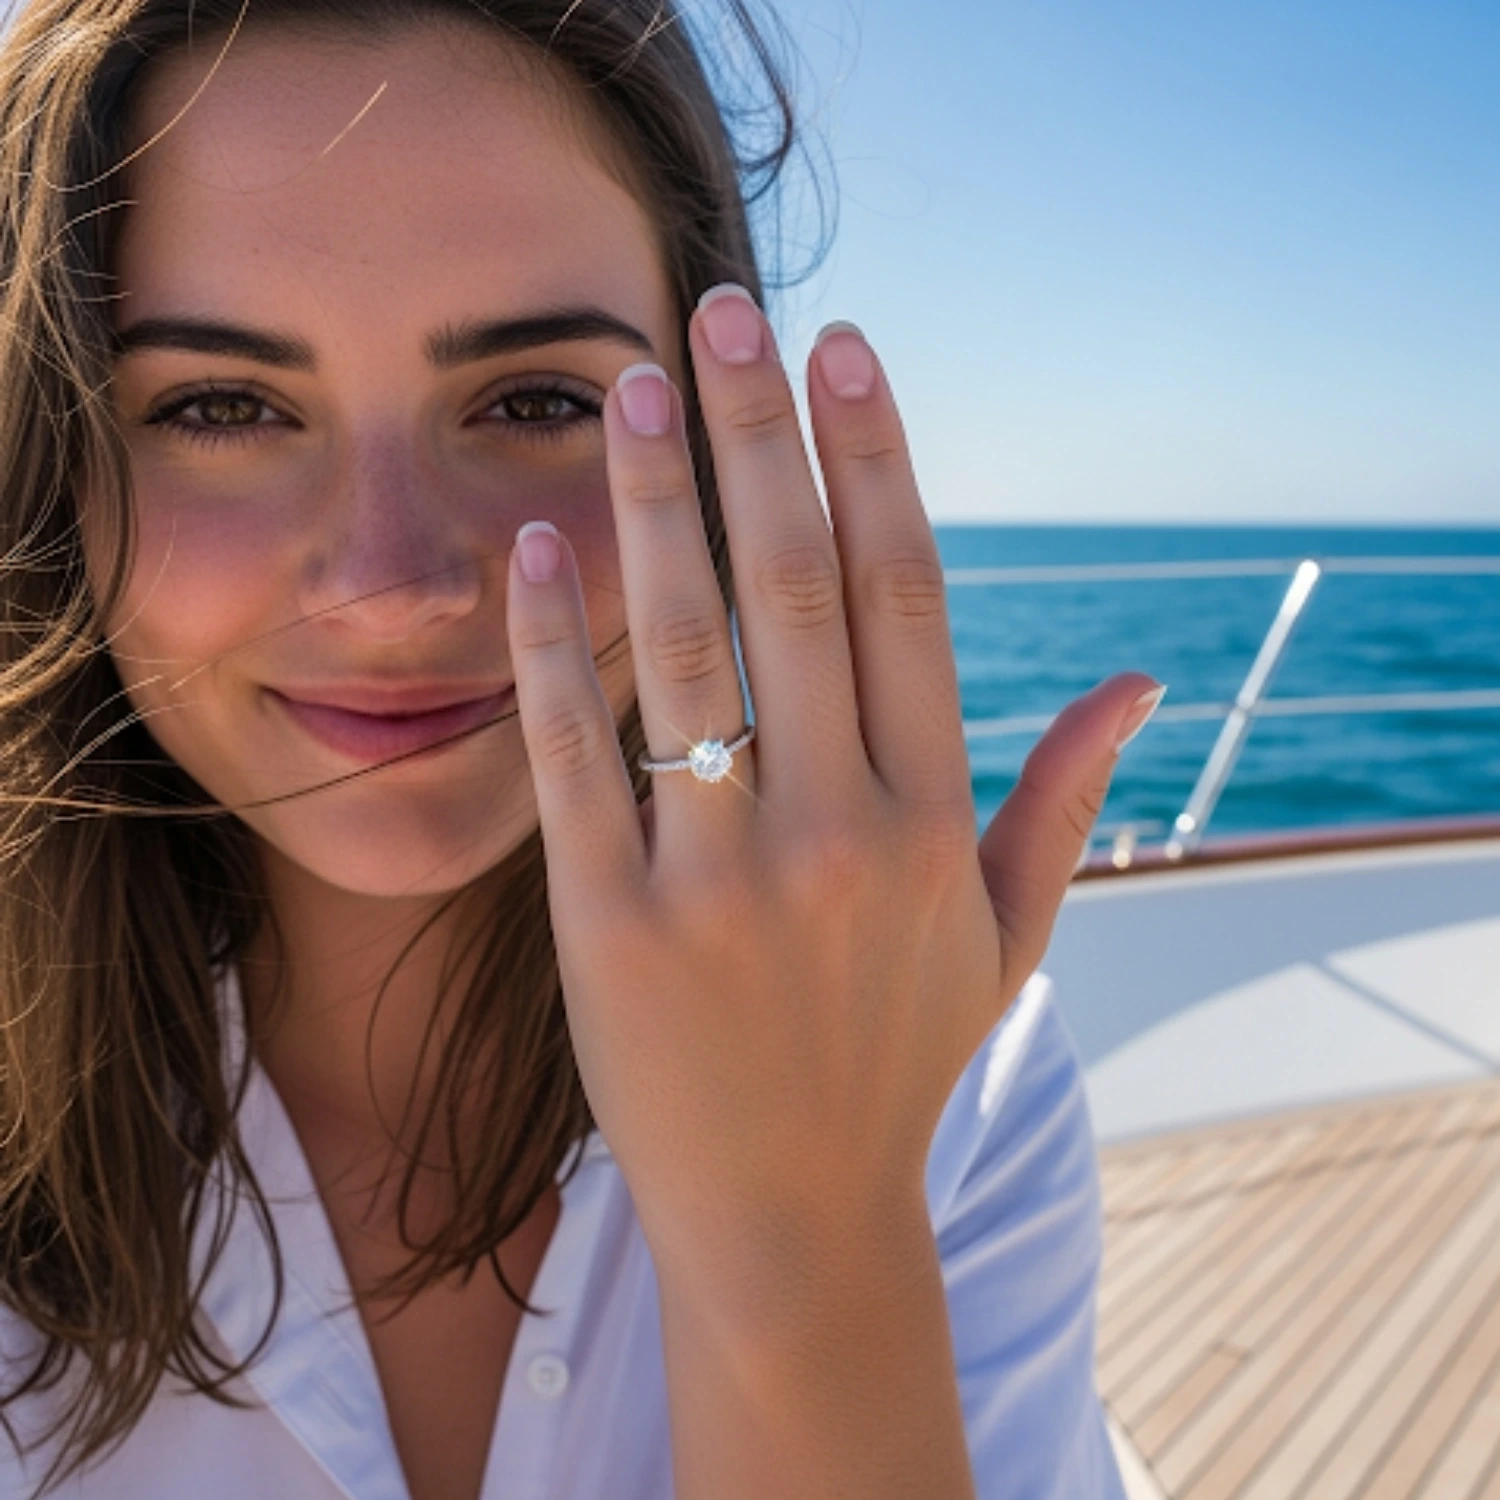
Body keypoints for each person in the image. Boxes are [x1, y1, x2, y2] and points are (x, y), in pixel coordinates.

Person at [0, 1, 1160, 1496]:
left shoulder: (950, 1090)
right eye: (221, 407)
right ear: (53, 472)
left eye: (538, 401)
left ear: (715, 459)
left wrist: (808, 1229)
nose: (392, 585)